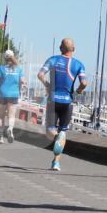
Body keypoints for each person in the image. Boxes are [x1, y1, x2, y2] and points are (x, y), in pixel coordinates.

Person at [38, 39, 88, 171]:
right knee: (63, 132)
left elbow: (40, 74)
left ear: (60, 48)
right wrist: (79, 90)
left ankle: (56, 137)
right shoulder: (78, 64)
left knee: (50, 131)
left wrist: (47, 85)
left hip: (53, 100)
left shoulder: (52, 60)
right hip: (67, 102)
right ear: (74, 49)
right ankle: (56, 162)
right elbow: (84, 83)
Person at [0, 49, 25, 143]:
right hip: (14, 94)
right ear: (13, 57)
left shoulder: (0, 68)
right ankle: (10, 129)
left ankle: (1, 137)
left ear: (5, 58)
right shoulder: (19, 68)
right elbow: (23, 80)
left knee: (1, 116)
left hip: (2, 94)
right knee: (11, 116)